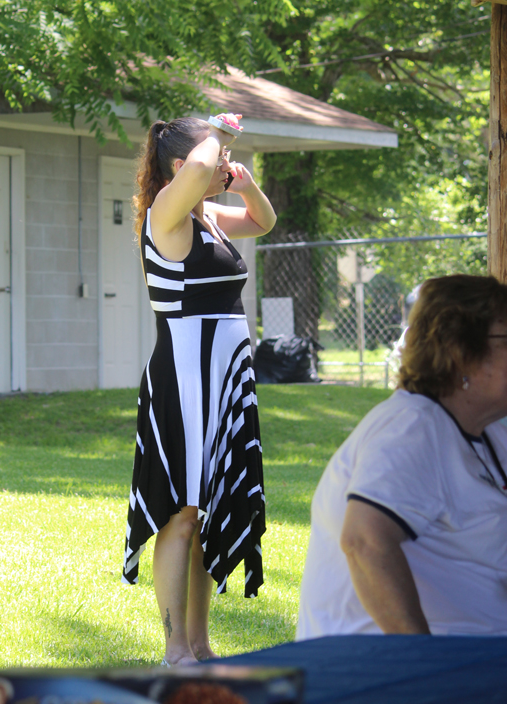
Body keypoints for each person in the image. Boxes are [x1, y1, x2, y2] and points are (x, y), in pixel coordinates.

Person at [122, 113, 277, 665]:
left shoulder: (206, 214)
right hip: (186, 378)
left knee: (206, 509)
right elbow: (203, 162)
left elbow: (263, 221)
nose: (223, 167)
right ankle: (175, 650)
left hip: (226, 376)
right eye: (214, 161)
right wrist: (216, 132)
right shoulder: (165, 212)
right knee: (180, 514)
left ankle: (200, 644)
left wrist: (244, 180)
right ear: (184, 167)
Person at [296, 273, 507, 639]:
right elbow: (364, 541)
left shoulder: (489, 428)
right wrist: (424, 663)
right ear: (460, 352)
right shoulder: (412, 428)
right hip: (387, 671)